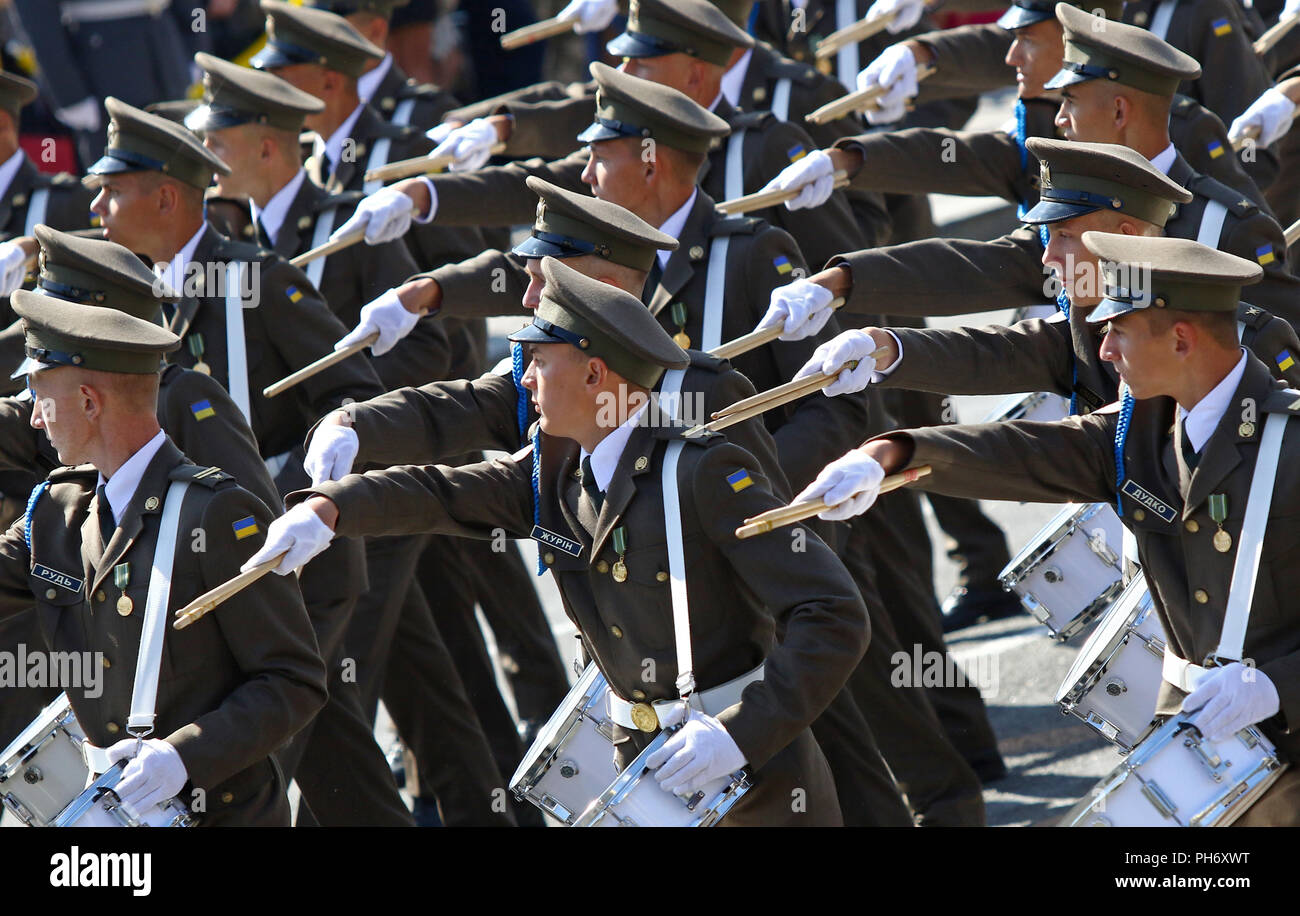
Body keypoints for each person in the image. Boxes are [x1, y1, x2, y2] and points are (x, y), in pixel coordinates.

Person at [261, 257, 874, 826]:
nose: (523, 380)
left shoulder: (702, 471)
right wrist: (329, 509)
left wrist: (741, 733)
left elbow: (833, 613)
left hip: (749, 780)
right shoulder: (557, 472)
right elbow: (442, 492)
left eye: (539, 362)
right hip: (636, 770)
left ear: (595, 373)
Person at [796, 232, 1300, 825]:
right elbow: (1025, 450)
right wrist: (888, 456)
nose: (1103, 349)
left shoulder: (1289, 444)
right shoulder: (1138, 432)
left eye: (1118, 331)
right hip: (1192, 734)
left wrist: (1279, 686)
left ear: (1182, 339)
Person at [85, 95, 412, 827]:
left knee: (250, 766)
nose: (97, 203)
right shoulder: (140, 300)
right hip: (220, 573)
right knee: (337, 760)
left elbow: (352, 394)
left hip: (294, 567)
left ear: (166, 195)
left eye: (113, 189)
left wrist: (290, 482)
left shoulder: (258, 278)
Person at [0, 269, 327, 827]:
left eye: (40, 396)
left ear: (87, 401)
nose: (32, 416)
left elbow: (293, 681)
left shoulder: (218, 513)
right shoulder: (57, 513)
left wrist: (184, 756)